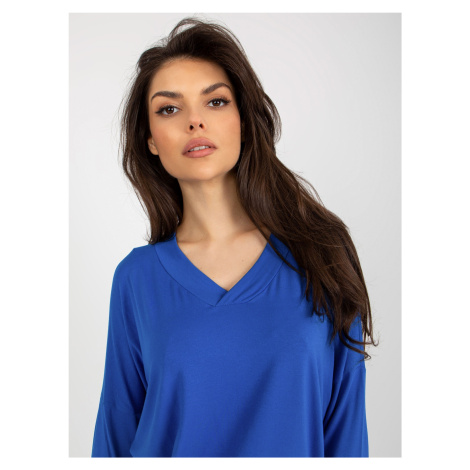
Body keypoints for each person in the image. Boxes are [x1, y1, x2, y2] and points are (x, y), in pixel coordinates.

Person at [91, 17, 377, 458]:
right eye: (169, 109)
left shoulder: (322, 253)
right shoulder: (136, 279)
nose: (195, 122)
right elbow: (115, 433)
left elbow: (347, 430)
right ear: (151, 141)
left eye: (216, 102)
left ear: (242, 119)